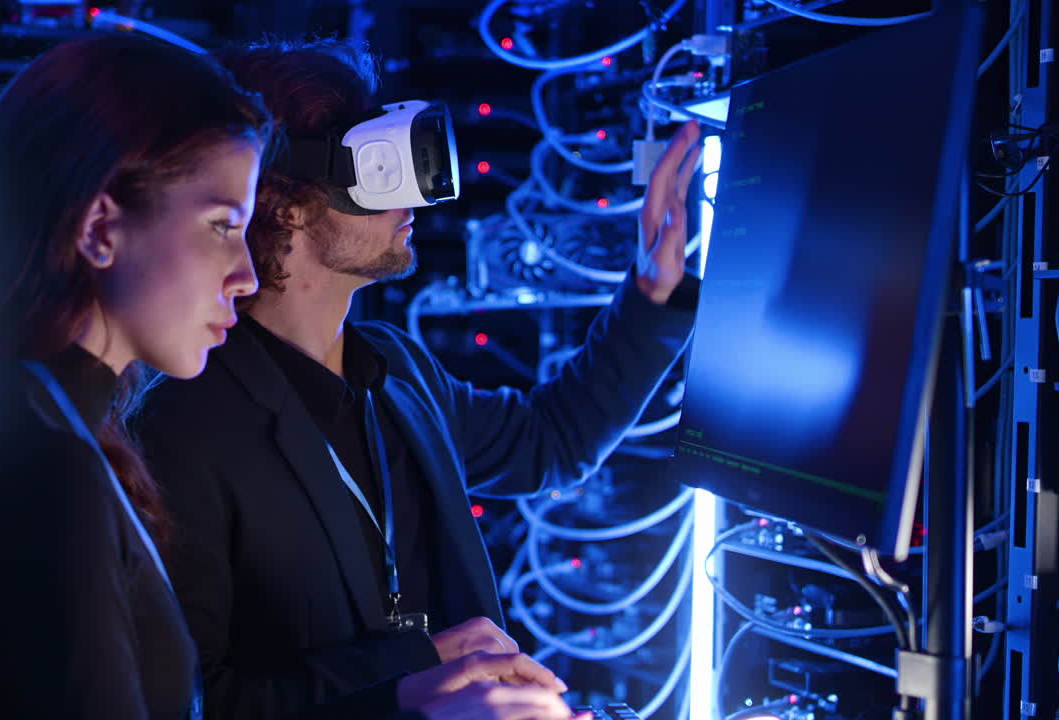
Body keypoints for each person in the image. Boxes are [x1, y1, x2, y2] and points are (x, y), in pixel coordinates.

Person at [0, 34, 577, 720]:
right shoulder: (40, 469)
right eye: (221, 227)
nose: (244, 275)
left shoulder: (43, 436)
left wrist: (408, 695)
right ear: (100, 229)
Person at [133, 38, 701, 719]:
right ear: (284, 200)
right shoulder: (186, 422)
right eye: (378, 169)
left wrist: (651, 293)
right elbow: (194, 703)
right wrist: (416, 674)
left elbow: (551, 441)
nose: (413, 198)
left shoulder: (398, 373)